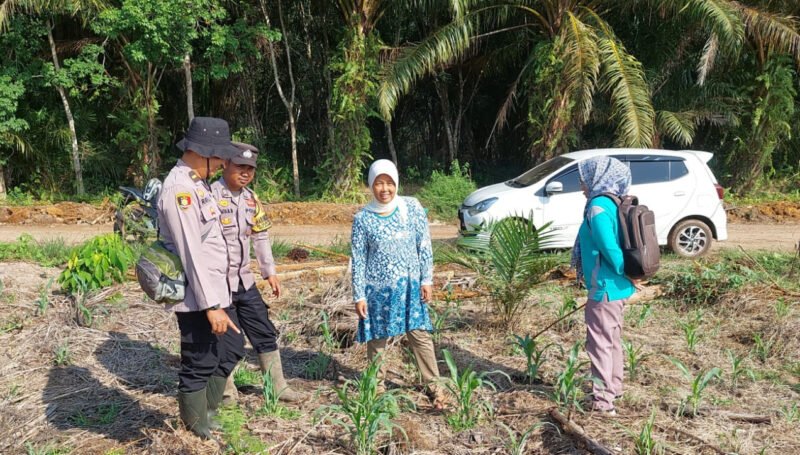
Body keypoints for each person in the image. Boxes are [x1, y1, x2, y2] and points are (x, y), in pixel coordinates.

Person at [157, 117, 245, 439]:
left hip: (217, 291)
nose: (224, 163)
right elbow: (191, 251)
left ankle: (207, 413)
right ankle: (196, 429)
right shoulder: (179, 190)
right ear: (200, 151)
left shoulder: (197, 184)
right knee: (199, 361)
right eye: (220, 156)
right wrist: (210, 305)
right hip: (197, 297)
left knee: (232, 347)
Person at [350, 159, 447, 409]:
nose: (385, 189)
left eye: (390, 183)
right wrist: (358, 295)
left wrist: (427, 279)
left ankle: (434, 386)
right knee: (378, 338)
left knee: (419, 335)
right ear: (371, 185)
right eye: (379, 183)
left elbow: (423, 245)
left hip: (410, 286)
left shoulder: (412, 207)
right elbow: (358, 259)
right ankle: (377, 387)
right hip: (377, 291)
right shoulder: (363, 219)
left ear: (396, 183)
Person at [210, 142, 302, 403]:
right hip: (219, 284)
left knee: (264, 330)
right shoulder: (210, 196)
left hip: (244, 281)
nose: (246, 172)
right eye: (240, 166)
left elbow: (260, 236)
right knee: (227, 338)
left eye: (250, 168)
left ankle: (278, 386)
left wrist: (268, 271)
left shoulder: (251, 199)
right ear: (225, 164)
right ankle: (227, 394)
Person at [570, 156, 637, 416]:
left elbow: (608, 246)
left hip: (605, 286)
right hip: (616, 286)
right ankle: (614, 387)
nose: (581, 185)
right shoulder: (613, 203)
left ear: (598, 177)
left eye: (583, 178)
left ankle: (603, 402)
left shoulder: (597, 206)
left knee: (599, 344)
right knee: (612, 340)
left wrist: (627, 272)